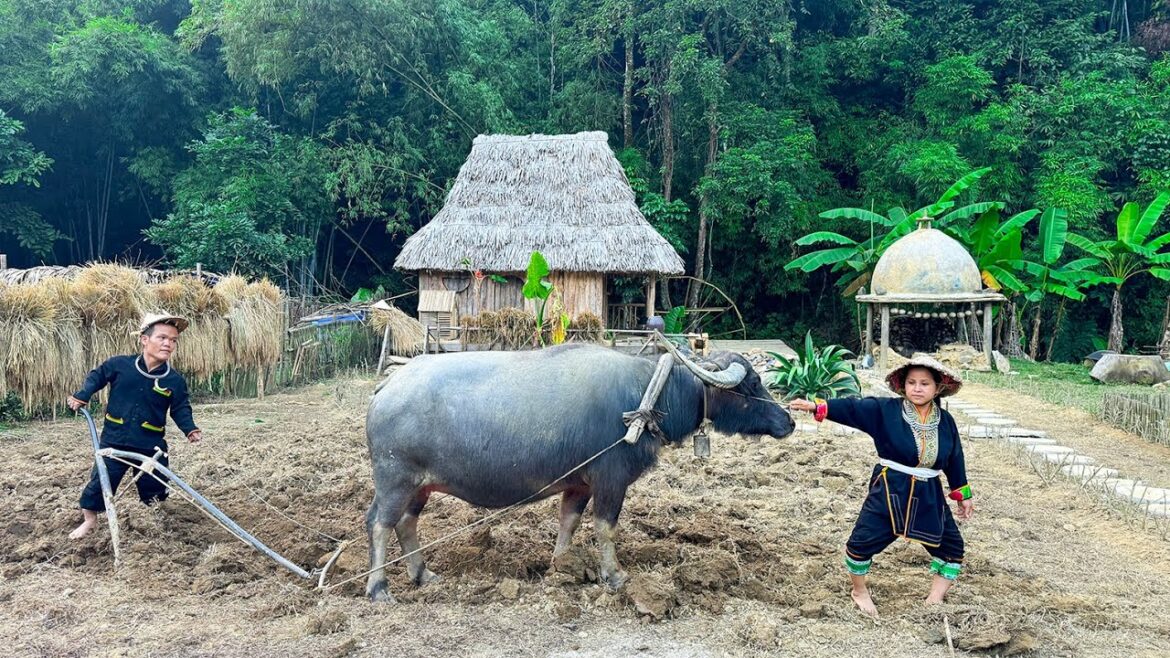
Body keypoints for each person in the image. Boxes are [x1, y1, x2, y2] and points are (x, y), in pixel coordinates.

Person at [790, 356, 974, 617]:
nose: (917, 388)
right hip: (890, 487)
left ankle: (935, 598)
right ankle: (859, 591)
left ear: (938, 387)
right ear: (903, 385)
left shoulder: (946, 422)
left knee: (952, 548)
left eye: (924, 383)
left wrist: (962, 493)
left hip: (929, 493)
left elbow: (955, 458)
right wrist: (816, 406)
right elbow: (854, 408)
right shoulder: (885, 410)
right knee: (860, 544)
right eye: (911, 382)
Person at [67, 313, 203, 539]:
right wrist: (82, 395)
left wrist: (190, 429)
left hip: (151, 445)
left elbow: (180, 408)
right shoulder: (119, 365)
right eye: (162, 338)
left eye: (173, 340)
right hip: (115, 439)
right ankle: (89, 521)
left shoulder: (174, 380)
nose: (168, 344)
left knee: (155, 488)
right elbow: (97, 377)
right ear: (144, 339)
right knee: (101, 483)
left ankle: (155, 521)